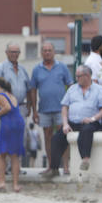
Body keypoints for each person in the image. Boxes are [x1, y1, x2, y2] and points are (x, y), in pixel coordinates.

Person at [41, 65, 102, 177]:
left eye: (78, 76)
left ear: (87, 76)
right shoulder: (72, 89)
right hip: (73, 121)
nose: (76, 79)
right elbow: (64, 106)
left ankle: (85, 159)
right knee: (56, 139)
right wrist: (65, 123)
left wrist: (93, 118)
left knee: (86, 131)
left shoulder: (99, 90)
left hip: (90, 121)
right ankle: (54, 168)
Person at [30, 42, 73, 173]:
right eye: (45, 50)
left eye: (49, 50)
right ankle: (51, 166)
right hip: (44, 109)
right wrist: (34, 110)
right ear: (41, 53)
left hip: (61, 109)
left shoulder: (62, 67)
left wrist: (70, 105)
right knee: (47, 137)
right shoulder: (36, 69)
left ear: (54, 52)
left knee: (64, 136)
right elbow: (33, 90)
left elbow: (70, 86)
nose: (47, 53)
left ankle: (65, 166)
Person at [0, 42, 33, 165]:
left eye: (16, 52)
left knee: (20, 138)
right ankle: (2, 168)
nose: (14, 54)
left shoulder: (23, 70)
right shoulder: (0, 68)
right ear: (7, 53)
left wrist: (29, 106)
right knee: (3, 138)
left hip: (20, 107)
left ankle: (16, 167)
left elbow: (29, 89)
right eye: (12, 52)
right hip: (5, 109)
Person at [0, 77, 25, 192]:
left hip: (8, 124)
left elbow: (7, 108)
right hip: (19, 124)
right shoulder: (11, 95)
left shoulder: (0, 95)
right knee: (15, 155)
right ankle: (15, 185)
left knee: (1, 154)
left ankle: (1, 181)